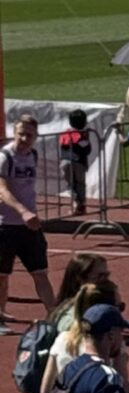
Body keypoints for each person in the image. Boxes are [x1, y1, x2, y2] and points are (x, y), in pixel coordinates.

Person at [0, 113, 55, 320]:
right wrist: (22, 211)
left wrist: (30, 213)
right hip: (6, 225)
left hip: (30, 226)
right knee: (2, 275)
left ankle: (54, 315)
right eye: (21, 134)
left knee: (40, 272)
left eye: (29, 135)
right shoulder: (5, 157)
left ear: (36, 136)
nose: (24, 139)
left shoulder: (33, 155)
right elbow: (2, 190)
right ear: (14, 133)